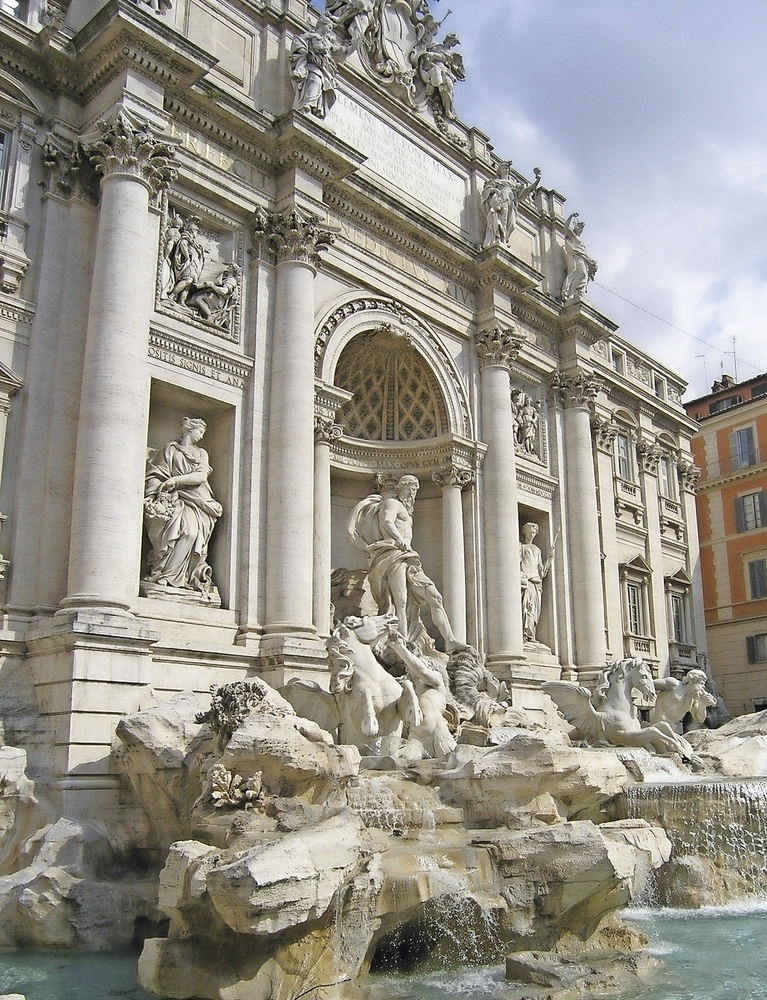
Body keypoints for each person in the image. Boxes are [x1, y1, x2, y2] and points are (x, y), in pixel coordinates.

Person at [347, 475, 459, 651]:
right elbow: (386, 520)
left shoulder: (407, 511)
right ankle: (404, 643)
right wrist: (399, 539)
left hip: (408, 557)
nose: (412, 494)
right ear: (399, 489)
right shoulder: (392, 503)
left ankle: (450, 640)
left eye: (414, 490)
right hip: (393, 553)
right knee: (401, 600)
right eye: (409, 489)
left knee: (435, 596)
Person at [143, 417, 223, 599]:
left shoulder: (201, 453)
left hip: (198, 500)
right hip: (174, 498)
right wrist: (157, 490)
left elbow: (201, 477)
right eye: (200, 431)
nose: (201, 436)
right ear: (189, 429)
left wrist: (175, 480)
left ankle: (178, 577)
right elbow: (156, 473)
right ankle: (165, 575)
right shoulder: (169, 450)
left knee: (191, 534)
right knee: (176, 532)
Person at [290, 15, 342, 119]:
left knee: (320, 84)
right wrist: (306, 53)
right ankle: (306, 105)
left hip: (322, 67)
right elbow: (298, 41)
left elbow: (341, 51)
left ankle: (311, 106)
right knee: (315, 81)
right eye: (329, 27)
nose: (329, 31)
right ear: (323, 25)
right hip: (312, 64)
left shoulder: (327, 42)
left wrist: (354, 44)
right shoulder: (311, 36)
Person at [481, 162, 541, 246]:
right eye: (503, 168)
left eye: (507, 168)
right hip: (502, 201)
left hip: (511, 203)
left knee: (512, 224)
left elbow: (527, 190)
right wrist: (495, 191)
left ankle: (504, 239)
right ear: (500, 171)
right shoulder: (496, 182)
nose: (505, 170)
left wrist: (537, 180)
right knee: (502, 221)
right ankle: (499, 239)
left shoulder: (514, 185)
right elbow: (486, 191)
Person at [519, 522, 552, 643]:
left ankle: (531, 634)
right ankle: (524, 634)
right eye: (529, 532)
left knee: (534, 610)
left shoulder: (537, 550)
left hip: (536, 582)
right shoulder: (521, 547)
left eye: (533, 533)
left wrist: (550, 557)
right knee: (527, 608)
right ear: (524, 532)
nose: (531, 535)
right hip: (527, 580)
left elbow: (541, 571)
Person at [186, 263, 241, 327]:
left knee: (199, 298)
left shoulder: (231, 280)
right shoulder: (224, 277)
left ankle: (209, 317)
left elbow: (224, 291)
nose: (229, 266)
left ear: (233, 270)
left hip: (219, 301)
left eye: (231, 266)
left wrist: (212, 285)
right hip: (214, 297)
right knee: (194, 298)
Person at [561, 212, 598, 304]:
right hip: (577, 258)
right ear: (575, 227)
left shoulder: (580, 240)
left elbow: (583, 252)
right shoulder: (573, 236)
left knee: (584, 276)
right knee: (581, 274)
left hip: (583, 259)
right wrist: (570, 216)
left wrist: (591, 261)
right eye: (579, 226)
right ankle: (572, 292)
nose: (580, 229)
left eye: (582, 228)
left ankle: (578, 293)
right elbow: (565, 227)